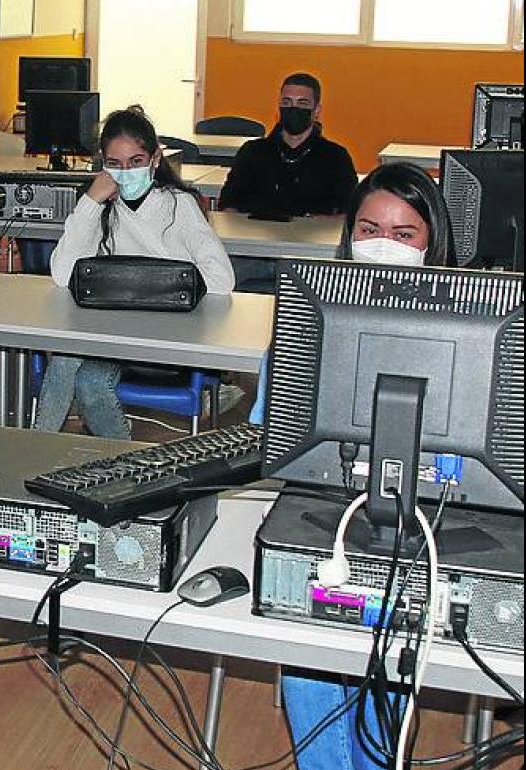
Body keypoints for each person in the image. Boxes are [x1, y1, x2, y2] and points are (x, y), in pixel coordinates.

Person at [251, 163, 455, 770]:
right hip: (322, 516)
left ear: (432, 244)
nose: (382, 245)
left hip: (428, 531)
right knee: (313, 653)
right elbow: (273, 431)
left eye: (403, 234)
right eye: (369, 228)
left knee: (386, 663)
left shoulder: (469, 330)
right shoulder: (308, 321)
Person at [33, 106, 236, 439]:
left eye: (135, 162)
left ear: (155, 159)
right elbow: (62, 274)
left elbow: (222, 280)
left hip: (165, 335)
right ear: (102, 164)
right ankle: (37, 447)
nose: (125, 173)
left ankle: (120, 466)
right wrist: (91, 202)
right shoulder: (101, 208)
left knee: (90, 381)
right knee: (68, 359)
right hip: (112, 332)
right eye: (114, 165)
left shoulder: (178, 206)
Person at [220, 73, 358, 218]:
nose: (293, 109)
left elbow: (350, 213)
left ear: (317, 110)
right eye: (287, 102)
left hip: (313, 238)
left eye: (302, 103)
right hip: (255, 236)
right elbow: (228, 204)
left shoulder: (336, 157)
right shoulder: (252, 152)